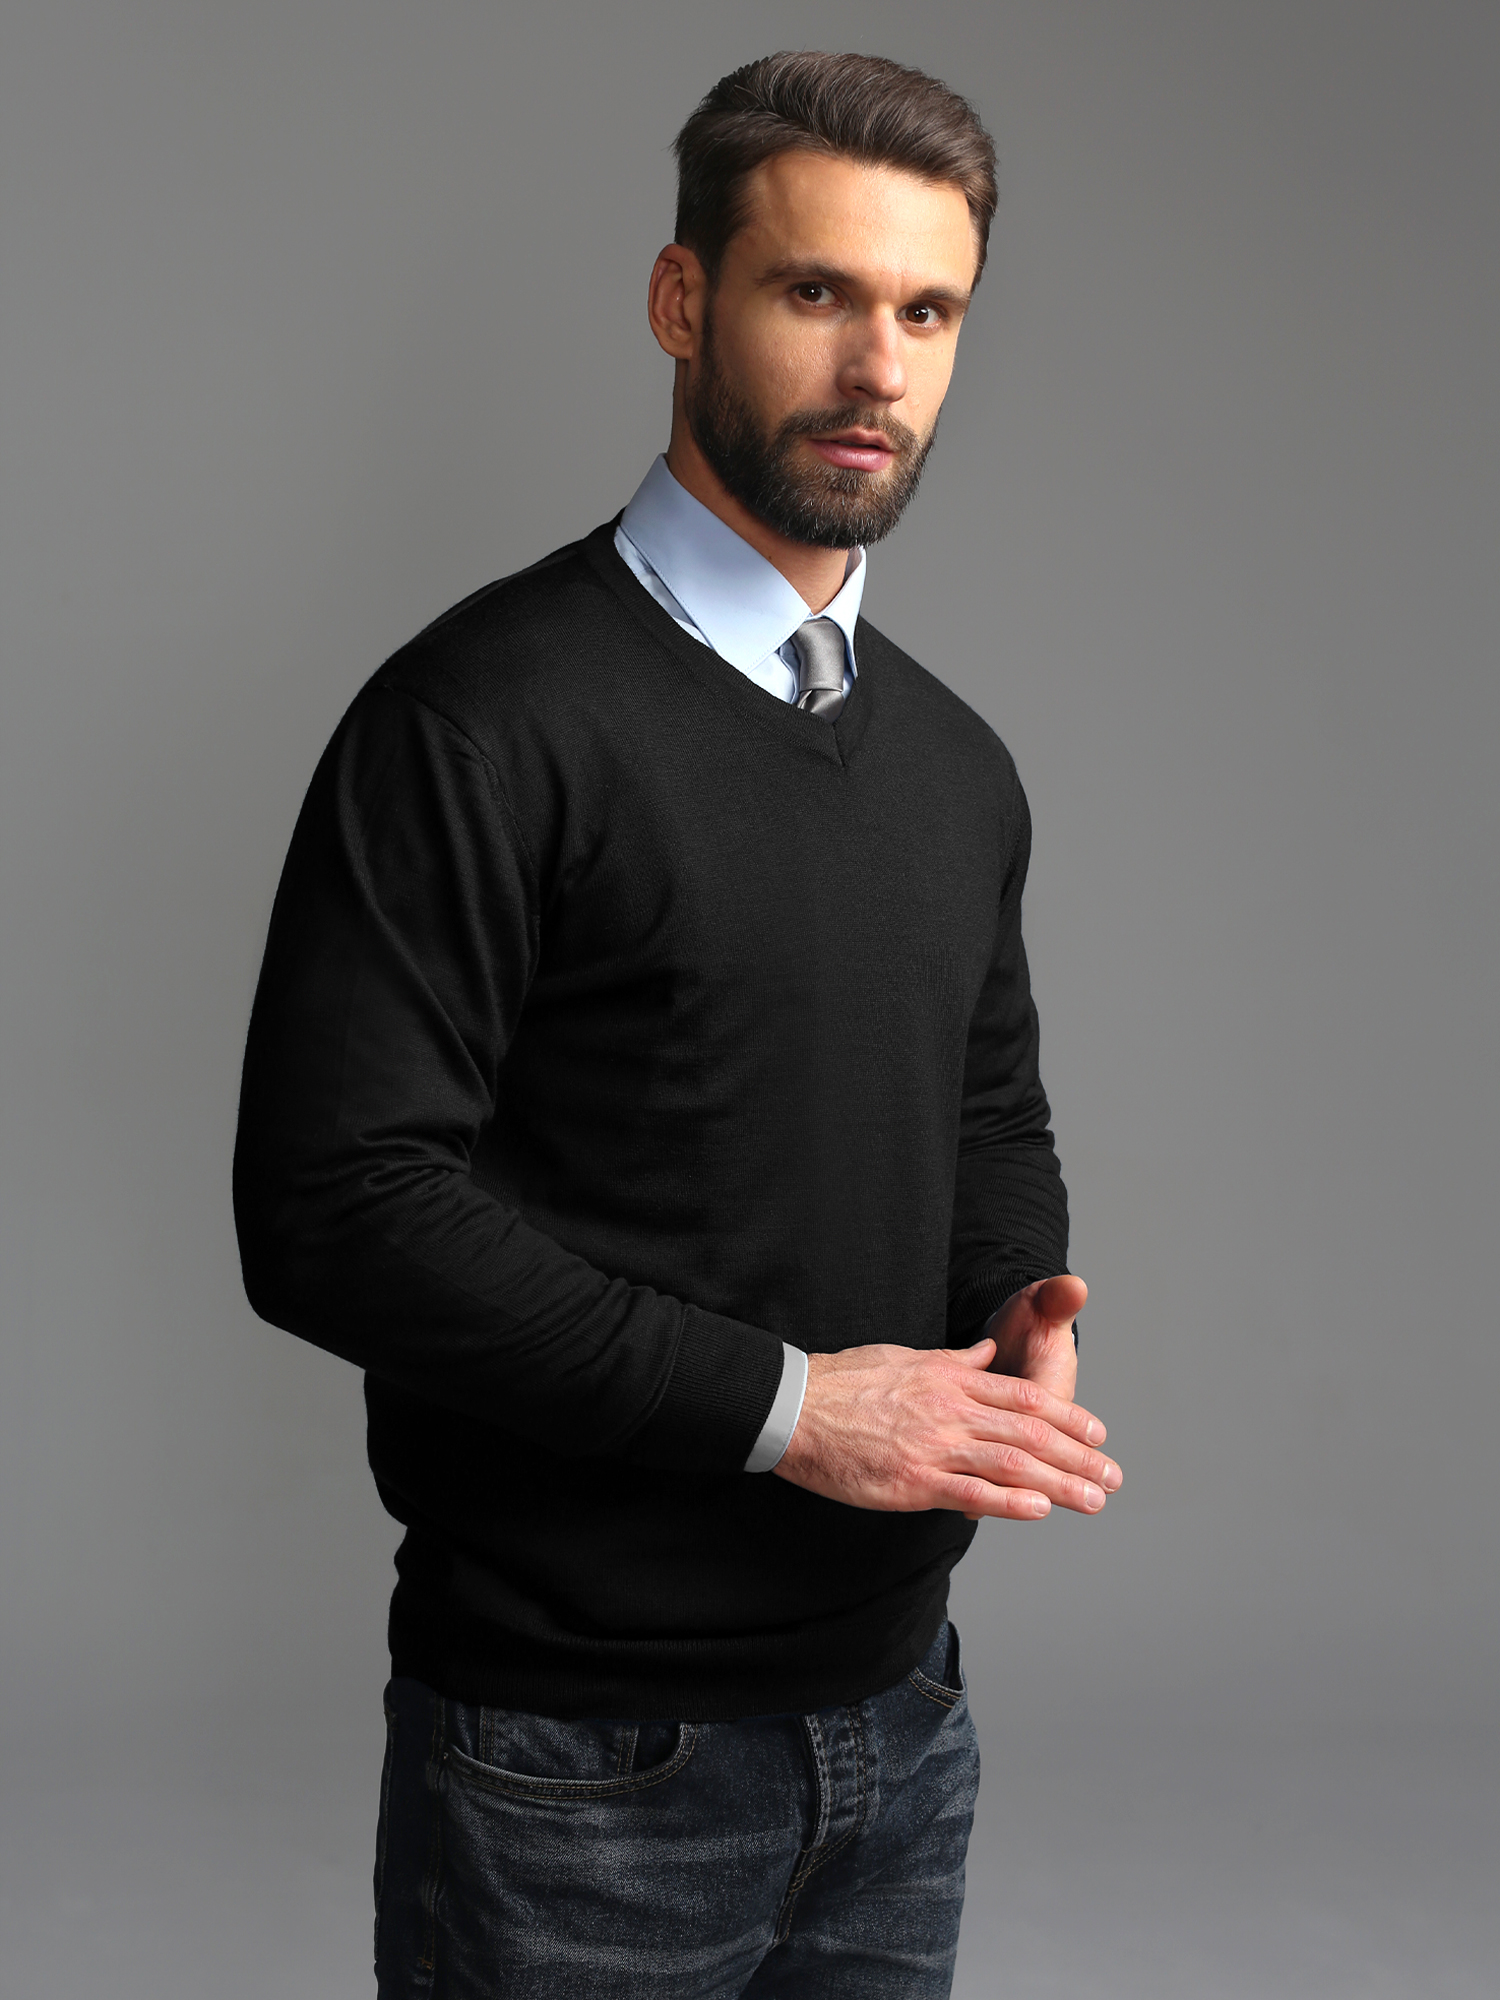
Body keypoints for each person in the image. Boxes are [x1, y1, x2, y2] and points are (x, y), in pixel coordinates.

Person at [233, 48, 1121, 2000]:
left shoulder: (958, 766)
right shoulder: (480, 720)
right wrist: (799, 1411)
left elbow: (987, 1109)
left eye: (928, 312)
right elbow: (333, 1211)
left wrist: (1019, 1293)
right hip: (573, 1767)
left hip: (903, 1728)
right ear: (681, 299)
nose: (877, 366)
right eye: (818, 292)